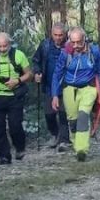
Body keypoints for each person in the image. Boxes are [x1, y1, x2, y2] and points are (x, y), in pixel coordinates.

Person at [52, 27, 100, 162]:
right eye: (72, 42)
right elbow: (57, 74)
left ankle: (82, 149)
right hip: (69, 88)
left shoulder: (94, 51)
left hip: (88, 88)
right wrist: (55, 95)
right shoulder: (65, 53)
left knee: (83, 117)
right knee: (73, 121)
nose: (76, 46)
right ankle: (76, 144)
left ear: (84, 39)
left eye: (79, 42)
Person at [0, 33, 32, 164]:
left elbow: (29, 74)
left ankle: (20, 148)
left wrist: (17, 80)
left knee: (15, 125)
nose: (2, 49)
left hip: (15, 95)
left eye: (5, 46)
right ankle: (4, 155)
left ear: (9, 44)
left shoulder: (18, 55)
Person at [33, 23, 72, 151]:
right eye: (55, 35)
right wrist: (37, 72)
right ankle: (55, 134)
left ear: (65, 34)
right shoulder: (45, 45)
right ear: (51, 34)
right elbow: (36, 60)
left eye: (61, 35)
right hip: (49, 84)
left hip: (66, 84)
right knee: (49, 114)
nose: (58, 38)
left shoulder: (69, 46)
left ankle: (64, 141)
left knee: (63, 113)